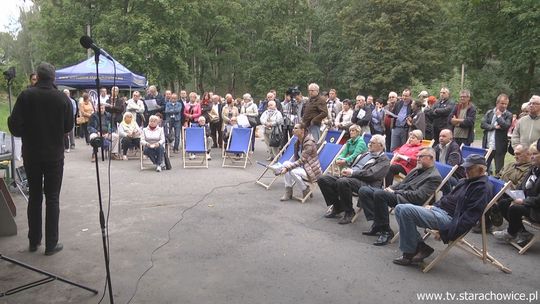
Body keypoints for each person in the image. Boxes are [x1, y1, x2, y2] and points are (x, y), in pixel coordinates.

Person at [8, 62, 74, 255]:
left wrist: (26, 131)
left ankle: (34, 241)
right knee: (52, 198)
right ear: (53, 78)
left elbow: (14, 126)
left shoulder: (26, 95)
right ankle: (51, 244)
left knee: (34, 197)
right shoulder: (62, 98)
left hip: (32, 155)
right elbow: (68, 126)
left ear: (37, 75)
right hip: (54, 155)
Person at [392, 155, 491, 266]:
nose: (465, 171)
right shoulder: (465, 181)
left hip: (449, 219)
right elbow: (447, 198)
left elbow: (470, 217)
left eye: (469, 168)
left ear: (481, 170)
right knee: (399, 209)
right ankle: (420, 247)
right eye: (465, 168)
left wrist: (446, 232)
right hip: (439, 211)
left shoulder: (482, 189)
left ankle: (409, 253)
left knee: (405, 210)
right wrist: (434, 205)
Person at [358, 147, 442, 246]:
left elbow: (418, 197)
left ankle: (385, 231)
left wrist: (395, 192)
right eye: (417, 156)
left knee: (379, 194)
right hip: (399, 194)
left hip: (408, 201)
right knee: (364, 190)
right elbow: (402, 182)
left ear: (430, 158)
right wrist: (390, 188)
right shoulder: (417, 168)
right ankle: (378, 223)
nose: (417, 158)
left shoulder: (434, 177)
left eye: (421, 156)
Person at [318, 134, 389, 224]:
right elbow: (353, 165)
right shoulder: (365, 154)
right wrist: (346, 168)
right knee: (322, 179)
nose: (369, 144)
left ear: (381, 146)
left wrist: (352, 173)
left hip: (366, 184)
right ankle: (338, 206)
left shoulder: (384, 160)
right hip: (351, 178)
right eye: (370, 142)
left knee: (342, 181)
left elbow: (371, 174)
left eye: (372, 143)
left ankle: (349, 211)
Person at [493, 142, 540, 247]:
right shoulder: (534, 169)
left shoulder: (531, 169)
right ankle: (522, 232)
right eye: (531, 154)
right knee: (504, 203)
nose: (532, 157)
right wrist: (514, 195)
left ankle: (511, 232)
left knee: (515, 208)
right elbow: (521, 187)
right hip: (528, 202)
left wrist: (523, 201)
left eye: (535, 154)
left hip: (536, 208)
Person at [280, 123, 322, 201]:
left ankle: (305, 189)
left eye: (296, 128)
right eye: (293, 128)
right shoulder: (297, 142)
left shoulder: (309, 142)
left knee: (291, 171)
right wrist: (286, 167)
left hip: (311, 170)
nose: (293, 130)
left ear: (302, 130)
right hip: (303, 167)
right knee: (285, 163)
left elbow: (302, 160)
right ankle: (288, 191)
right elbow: (297, 159)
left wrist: (287, 168)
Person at [481, 94, 512, 175]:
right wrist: (494, 127)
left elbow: (505, 126)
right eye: (502, 103)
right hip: (488, 145)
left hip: (500, 146)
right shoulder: (489, 112)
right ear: (497, 103)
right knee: (484, 168)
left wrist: (499, 116)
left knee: (499, 170)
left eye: (506, 104)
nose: (504, 106)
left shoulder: (508, 115)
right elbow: (483, 124)